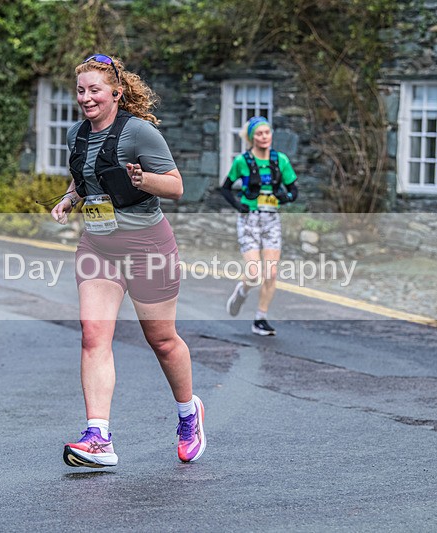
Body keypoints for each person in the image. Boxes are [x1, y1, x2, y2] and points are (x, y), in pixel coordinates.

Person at [51, 54, 206, 468]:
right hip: (99, 247)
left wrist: (143, 179)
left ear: (116, 93)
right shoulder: (76, 134)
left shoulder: (139, 133)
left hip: (147, 247)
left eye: (95, 90)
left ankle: (189, 413)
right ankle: (98, 436)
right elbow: (85, 175)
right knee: (92, 335)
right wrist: (69, 198)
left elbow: (176, 187)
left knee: (162, 340)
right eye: (81, 90)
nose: (86, 97)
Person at [219, 116, 299, 336]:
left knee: (271, 273)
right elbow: (225, 188)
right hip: (249, 220)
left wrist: (286, 197)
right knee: (254, 274)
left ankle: (260, 319)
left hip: (271, 219)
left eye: (267, 132)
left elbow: (294, 190)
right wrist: (238, 206)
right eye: (259, 133)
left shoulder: (280, 160)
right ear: (251, 137)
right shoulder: (242, 162)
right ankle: (242, 291)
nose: (264, 137)